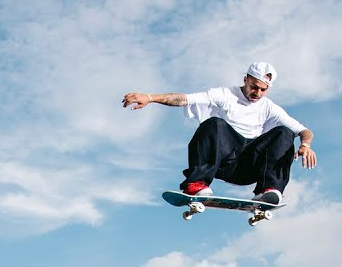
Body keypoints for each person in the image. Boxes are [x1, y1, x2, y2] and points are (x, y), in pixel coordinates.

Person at [122, 60, 317, 205]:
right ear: (246, 79)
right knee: (214, 123)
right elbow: (185, 99)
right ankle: (196, 184)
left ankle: (268, 190)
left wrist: (305, 145)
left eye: (263, 90)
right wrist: (151, 97)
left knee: (285, 133)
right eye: (254, 87)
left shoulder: (269, 107)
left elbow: (304, 130)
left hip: (249, 168)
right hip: (222, 162)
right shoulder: (225, 94)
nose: (257, 94)